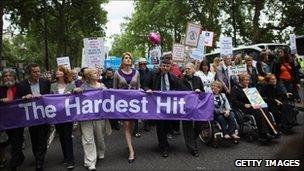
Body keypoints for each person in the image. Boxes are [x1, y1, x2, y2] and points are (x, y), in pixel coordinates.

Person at [16, 63, 51, 170]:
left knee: (43, 139)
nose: (37, 74)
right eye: (34, 72)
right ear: (29, 73)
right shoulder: (22, 85)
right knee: (35, 139)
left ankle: (39, 161)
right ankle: (37, 156)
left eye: (38, 71)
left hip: (44, 115)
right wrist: (23, 97)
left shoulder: (45, 82)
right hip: (31, 117)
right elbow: (16, 99)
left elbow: (51, 97)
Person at [77, 67, 111, 170]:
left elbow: (109, 97)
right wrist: (76, 90)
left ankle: (100, 151)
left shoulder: (102, 86)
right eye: (94, 73)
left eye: (97, 73)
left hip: (99, 116)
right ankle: (90, 162)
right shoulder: (83, 87)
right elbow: (76, 96)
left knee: (99, 137)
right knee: (88, 139)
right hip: (85, 117)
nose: (97, 74)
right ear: (89, 76)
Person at [145, 58, 179, 158]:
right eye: (163, 65)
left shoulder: (172, 77)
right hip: (156, 104)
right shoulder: (153, 74)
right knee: (160, 125)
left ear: (170, 67)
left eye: (167, 66)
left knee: (167, 125)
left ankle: (164, 142)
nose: (165, 68)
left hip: (168, 105)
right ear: (161, 66)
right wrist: (148, 89)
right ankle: (163, 147)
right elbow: (145, 85)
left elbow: (180, 88)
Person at [230, 73, 277, 142]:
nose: (247, 82)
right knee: (259, 112)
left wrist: (257, 96)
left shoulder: (250, 87)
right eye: (245, 80)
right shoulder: (235, 88)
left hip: (254, 105)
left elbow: (256, 98)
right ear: (241, 81)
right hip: (244, 107)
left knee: (265, 109)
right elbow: (233, 101)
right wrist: (244, 105)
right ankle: (263, 134)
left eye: (248, 80)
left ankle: (272, 131)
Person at [113, 52, 140, 163]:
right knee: (126, 125)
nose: (128, 59)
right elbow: (114, 89)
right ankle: (131, 151)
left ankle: (130, 145)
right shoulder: (117, 73)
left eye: (129, 58)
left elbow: (139, 87)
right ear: (122, 60)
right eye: (126, 58)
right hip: (123, 103)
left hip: (134, 103)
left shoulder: (136, 73)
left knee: (132, 125)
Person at [50, 66, 76, 169]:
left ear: (64, 73)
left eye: (60, 71)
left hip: (68, 115)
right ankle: (65, 157)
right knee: (61, 136)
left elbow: (75, 97)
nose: (57, 72)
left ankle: (71, 160)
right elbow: (50, 99)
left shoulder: (71, 84)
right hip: (57, 115)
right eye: (56, 71)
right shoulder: (52, 86)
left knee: (67, 136)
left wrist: (73, 92)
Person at [178, 63, 204, 157]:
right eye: (186, 69)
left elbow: (203, 92)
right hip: (186, 107)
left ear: (193, 70)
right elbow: (177, 95)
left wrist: (199, 91)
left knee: (200, 125)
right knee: (187, 127)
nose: (187, 70)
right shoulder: (180, 81)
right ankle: (192, 148)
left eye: (189, 68)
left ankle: (192, 139)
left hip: (197, 106)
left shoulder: (198, 79)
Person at [0, 69, 18, 169]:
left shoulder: (20, 87)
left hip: (18, 120)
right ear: (2, 79)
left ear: (14, 77)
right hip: (4, 121)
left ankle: (14, 162)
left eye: (10, 75)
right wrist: (2, 100)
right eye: (5, 76)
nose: (7, 77)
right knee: (6, 142)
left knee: (16, 143)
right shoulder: (1, 89)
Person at [138, 58, 154, 132]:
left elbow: (152, 82)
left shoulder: (150, 73)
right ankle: (141, 124)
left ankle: (147, 124)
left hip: (148, 93)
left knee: (148, 108)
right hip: (140, 94)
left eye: (143, 64)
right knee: (140, 108)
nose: (142, 65)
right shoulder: (137, 73)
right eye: (141, 64)